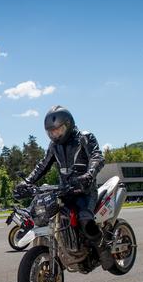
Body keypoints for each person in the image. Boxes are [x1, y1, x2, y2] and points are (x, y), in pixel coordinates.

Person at [17, 105, 114, 269]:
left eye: (58, 130)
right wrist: (27, 182)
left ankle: (104, 251)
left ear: (68, 124)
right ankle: (67, 247)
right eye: (51, 131)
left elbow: (97, 157)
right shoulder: (54, 146)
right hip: (65, 191)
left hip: (85, 190)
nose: (55, 134)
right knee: (46, 212)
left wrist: (89, 174)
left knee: (85, 218)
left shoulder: (85, 137)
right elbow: (43, 165)